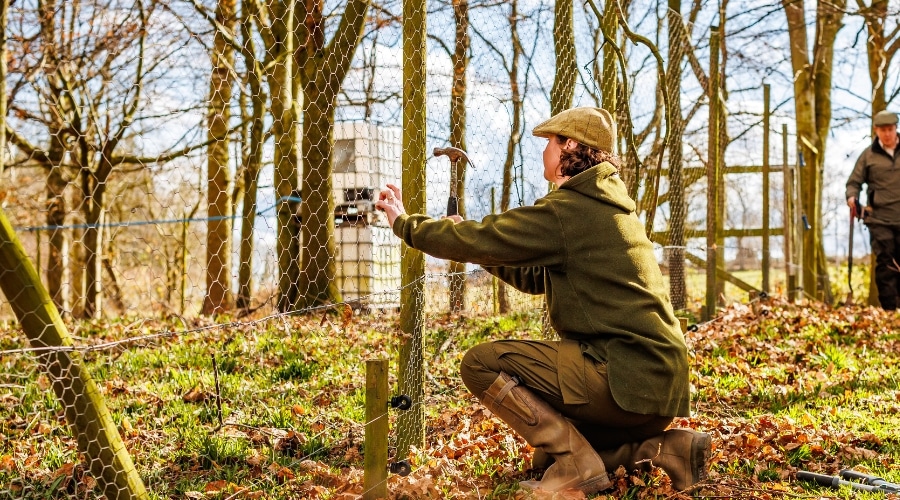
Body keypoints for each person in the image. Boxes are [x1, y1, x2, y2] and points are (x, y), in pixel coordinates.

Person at [375, 107, 710, 494]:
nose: (543, 152)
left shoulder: (571, 209)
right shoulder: (609, 206)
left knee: (480, 363)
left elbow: (486, 236)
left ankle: (577, 469)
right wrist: (475, 243)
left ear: (570, 146)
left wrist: (406, 224)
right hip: (656, 388)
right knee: (544, 457)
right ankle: (669, 449)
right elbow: (535, 278)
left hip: (624, 380)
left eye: (549, 142)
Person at [846, 110, 900, 310]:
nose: (887, 134)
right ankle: (889, 310)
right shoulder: (868, 156)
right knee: (886, 262)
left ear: (896, 129)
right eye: (882, 130)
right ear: (876, 130)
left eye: (890, 129)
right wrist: (852, 197)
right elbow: (854, 182)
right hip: (879, 220)